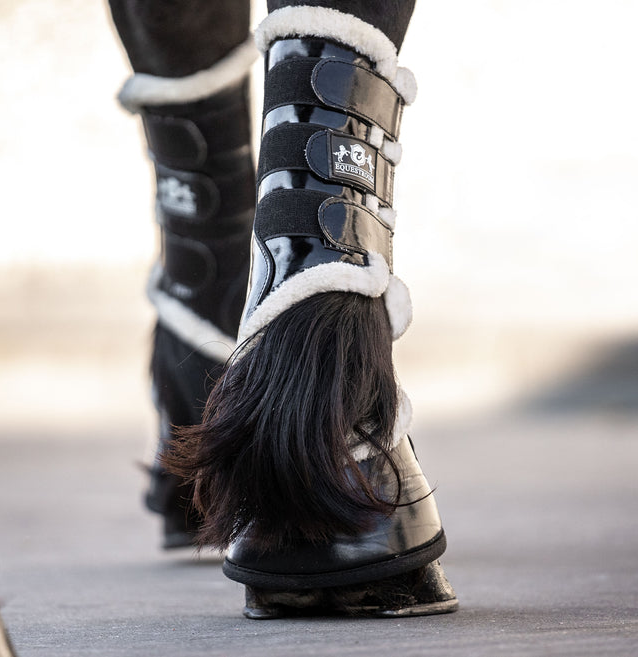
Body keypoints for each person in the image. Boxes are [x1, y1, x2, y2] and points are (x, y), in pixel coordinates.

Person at [110, 0, 458, 617]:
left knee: (212, 230)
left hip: (201, 355)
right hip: (335, 456)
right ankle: (325, 414)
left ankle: (203, 333)